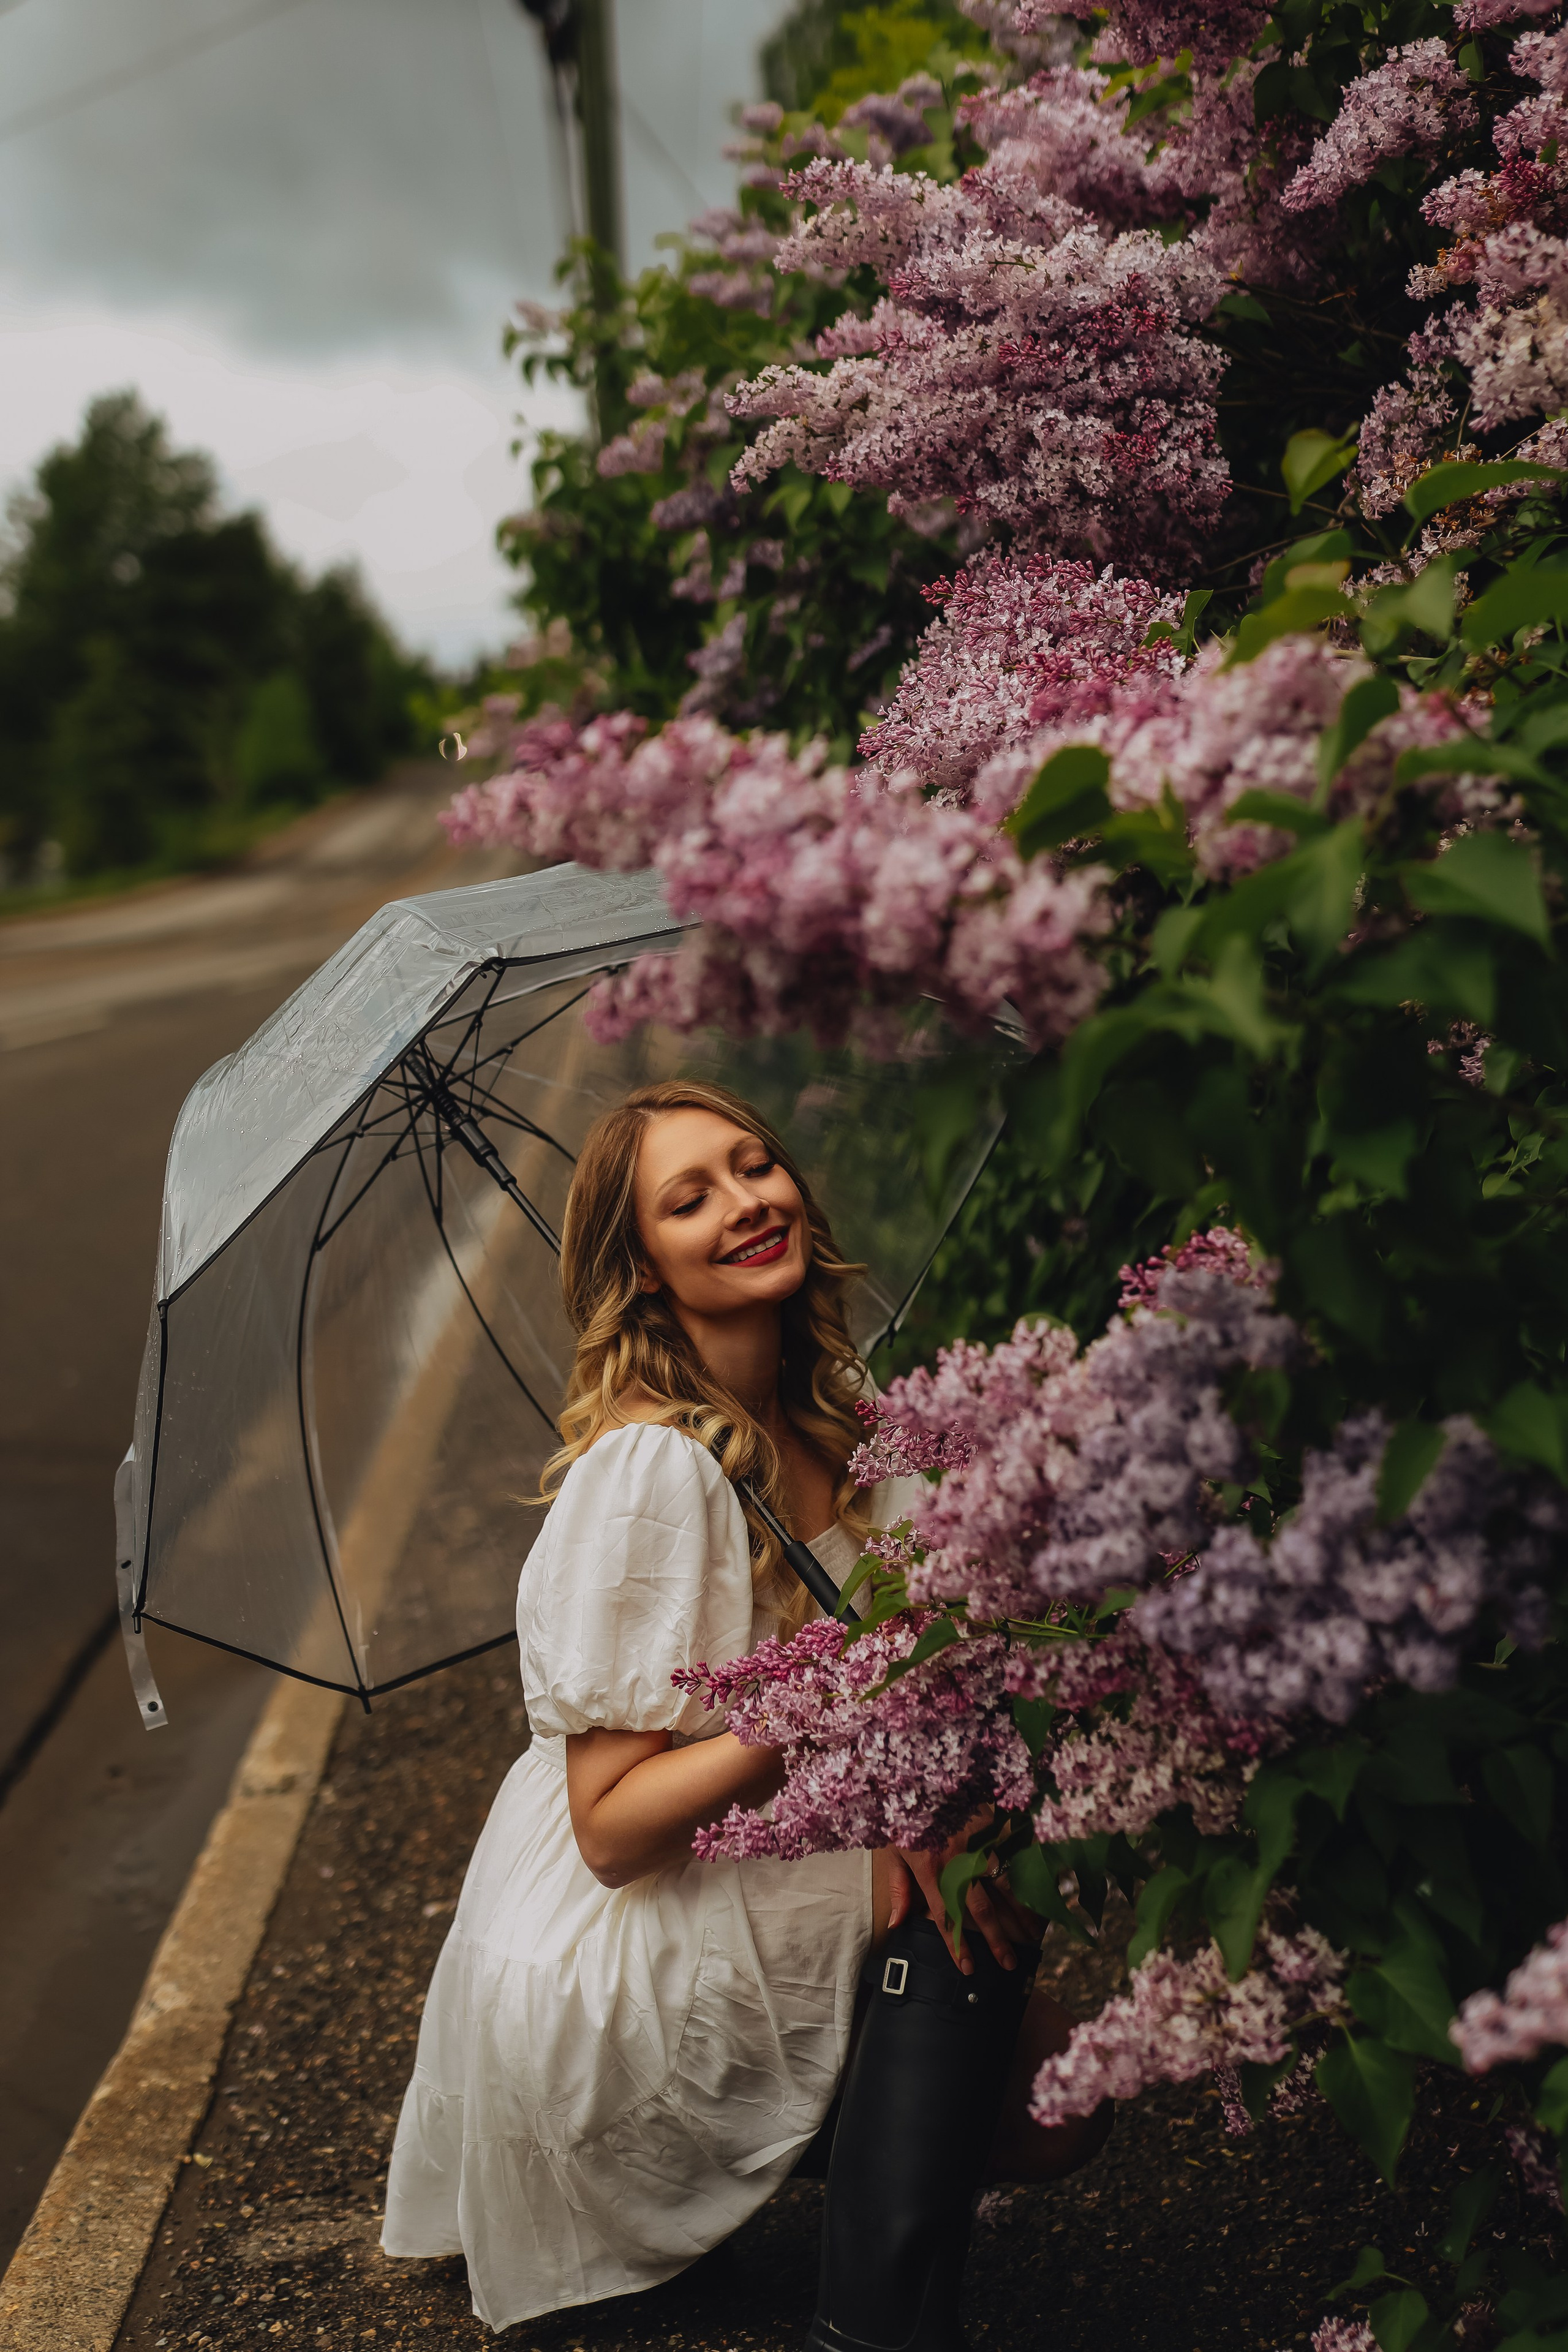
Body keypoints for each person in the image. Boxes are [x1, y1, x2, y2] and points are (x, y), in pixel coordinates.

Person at [382, 1079, 1108, 2343]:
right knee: (960, 1917)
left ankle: (830, 2193)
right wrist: (811, 1715)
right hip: (632, 1937)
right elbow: (611, 1831)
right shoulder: (651, 1470)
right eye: (687, 1197)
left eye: (752, 1164)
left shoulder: (850, 1420)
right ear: (643, 1269)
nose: (743, 1203)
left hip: (762, 1861)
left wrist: (917, 1802)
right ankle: (873, 2327)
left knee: (1057, 2098)